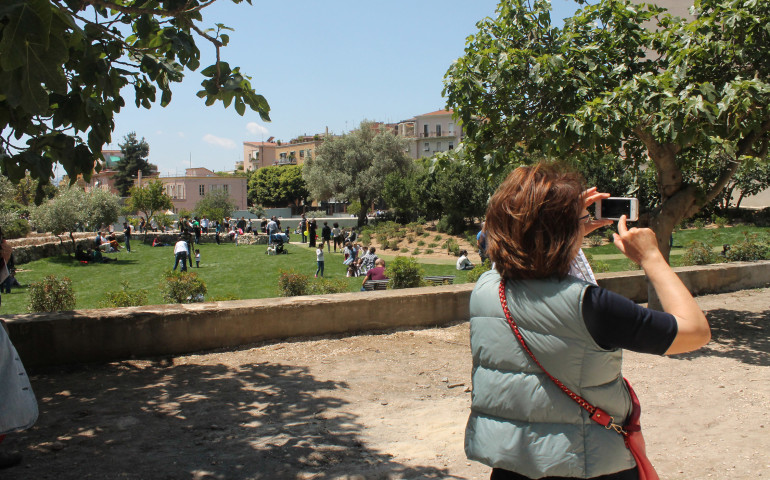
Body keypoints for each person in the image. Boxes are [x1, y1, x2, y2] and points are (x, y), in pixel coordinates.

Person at [465, 163, 711, 480]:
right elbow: (695, 332)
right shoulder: (591, 306)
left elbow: (491, 240)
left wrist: (560, 224)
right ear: (563, 233)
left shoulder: (486, 289)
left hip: (513, 466)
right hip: (589, 466)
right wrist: (651, 258)